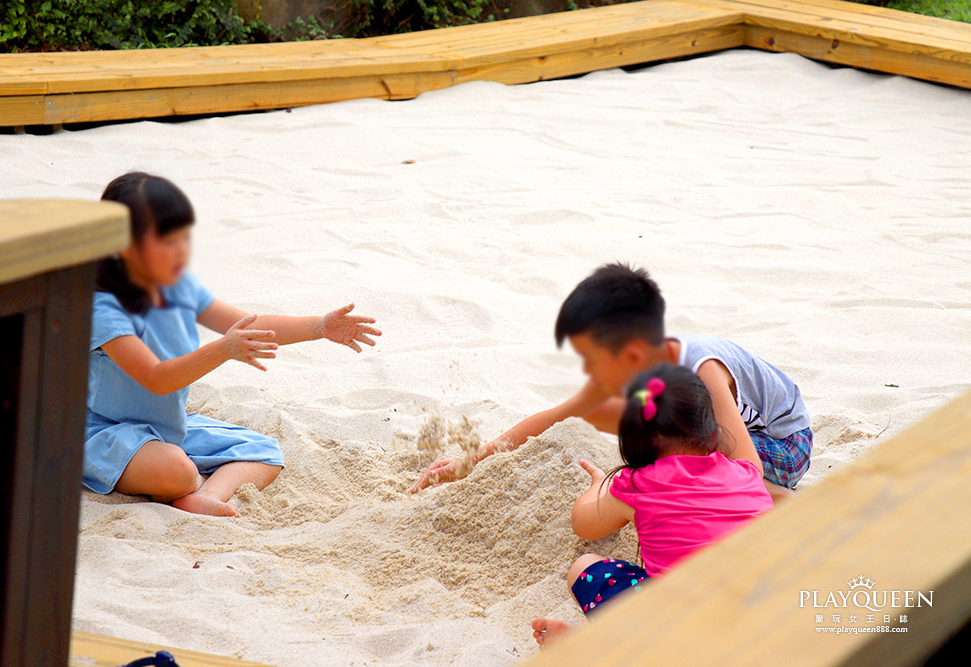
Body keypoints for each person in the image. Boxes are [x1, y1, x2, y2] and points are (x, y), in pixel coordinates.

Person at [85, 172, 381, 516]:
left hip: (169, 427)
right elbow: (157, 377)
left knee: (265, 452)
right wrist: (225, 349)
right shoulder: (105, 308)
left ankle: (206, 495)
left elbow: (249, 325)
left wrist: (318, 327)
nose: (180, 250)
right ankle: (180, 483)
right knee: (176, 471)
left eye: (184, 238)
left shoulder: (178, 289)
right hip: (107, 431)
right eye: (167, 240)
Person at [410, 263, 811, 501]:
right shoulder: (633, 368)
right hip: (722, 435)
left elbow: (748, 469)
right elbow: (556, 416)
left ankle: (787, 505)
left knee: (669, 443)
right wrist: (473, 461)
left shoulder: (703, 368)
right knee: (645, 433)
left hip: (782, 443)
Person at [531, 364, 773, 647]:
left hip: (678, 639)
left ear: (632, 442)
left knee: (584, 567)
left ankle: (591, 649)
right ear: (711, 428)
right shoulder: (746, 471)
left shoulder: (637, 485)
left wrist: (599, 484)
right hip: (764, 622)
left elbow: (583, 524)